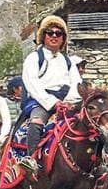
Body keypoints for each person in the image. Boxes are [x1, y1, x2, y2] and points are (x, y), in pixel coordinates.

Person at [19, 15, 82, 171]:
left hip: (67, 101)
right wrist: (52, 102)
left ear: (63, 38)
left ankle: (102, 159)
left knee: (91, 121)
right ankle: (32, 160)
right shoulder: (34, 58)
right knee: (37, 122)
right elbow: (32, 83)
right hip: (41, 101)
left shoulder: (68, 61)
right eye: (50, 32)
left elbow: (76, 83)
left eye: (58, 33)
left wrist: (69, 102)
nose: (54, 36)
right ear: (43, 36)